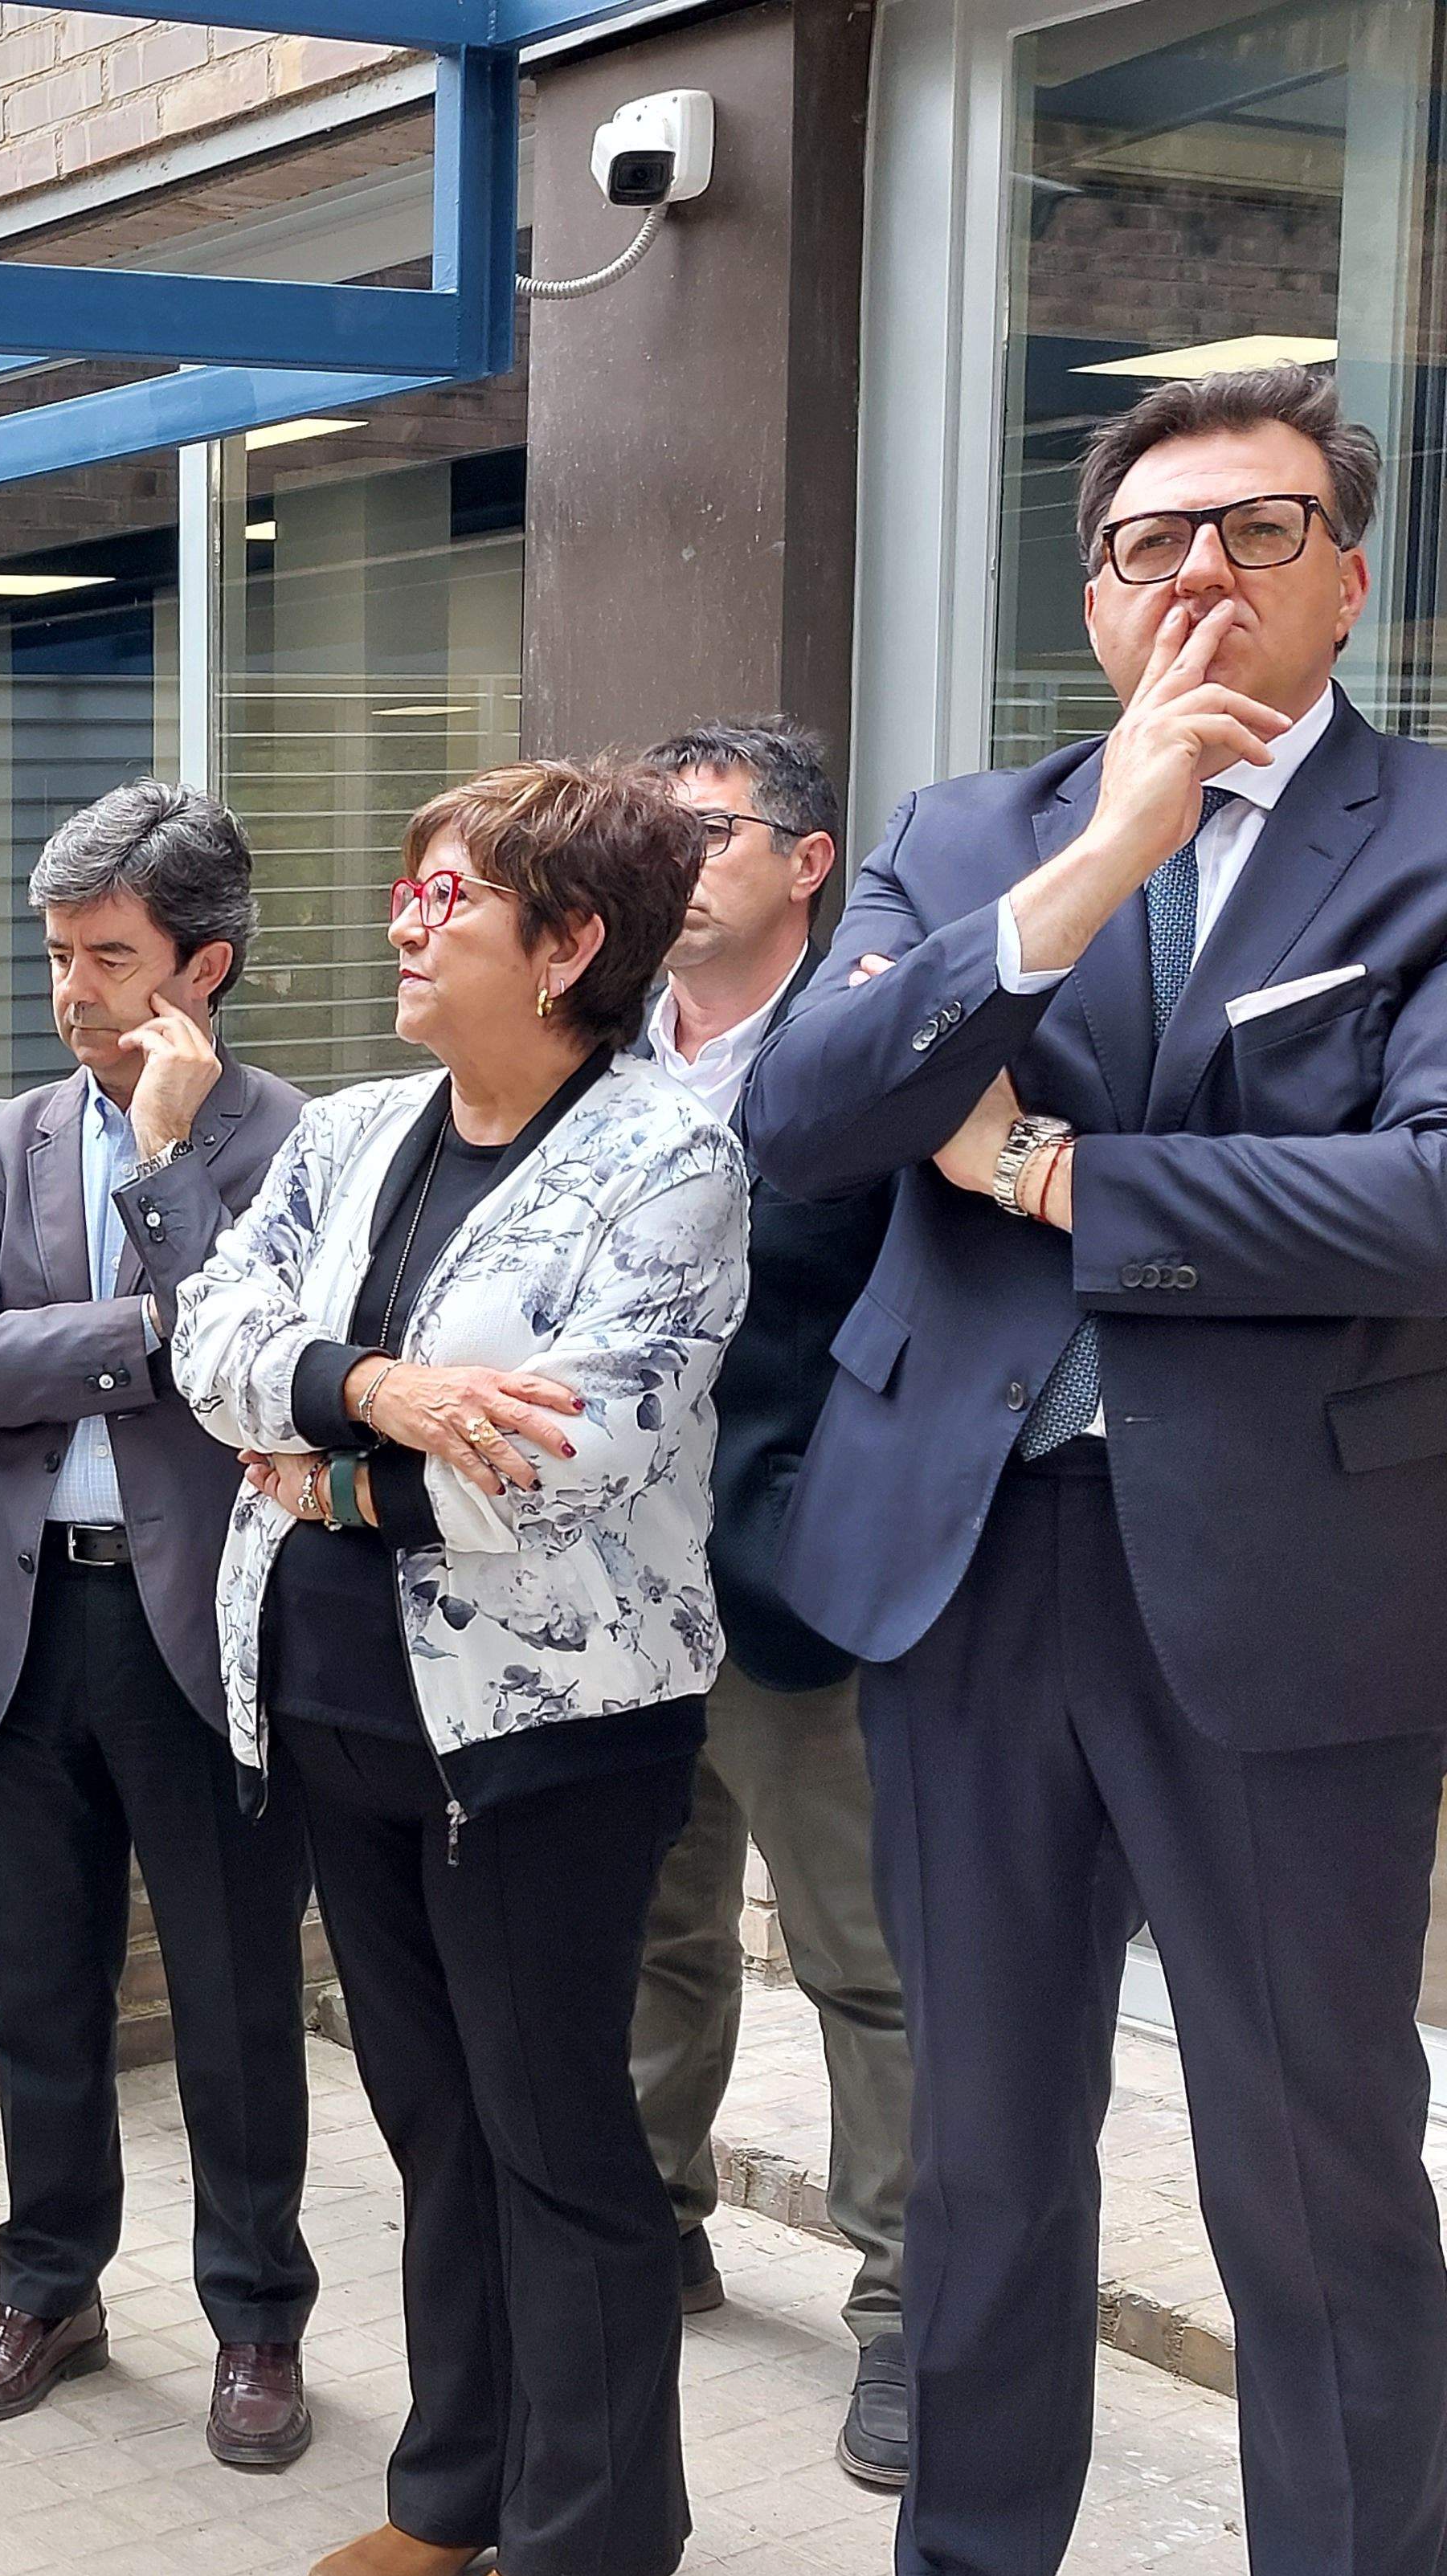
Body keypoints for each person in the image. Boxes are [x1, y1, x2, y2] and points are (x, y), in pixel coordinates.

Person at [752, 365, 1447, 2576]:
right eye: (1150, 544)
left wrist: (1063, 1181)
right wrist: (1103, 853)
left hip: (1285, 1599)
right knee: (983, 2134)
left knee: (1316, 2172)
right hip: (973, 1577)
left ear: (1352, 570)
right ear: (1092, 598)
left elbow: (1434, 1200)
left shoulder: (1434, 842)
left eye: (1255, 529)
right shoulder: (981, 833)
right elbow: (802, 1119)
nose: (1199, 578)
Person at [174, 757, 746, 2576]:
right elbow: (211, 1340)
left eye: (452, 897)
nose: (406, 921)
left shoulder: (665, 1158)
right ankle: (455, 2483)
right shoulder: (348, 1133)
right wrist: (375, 1386)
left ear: (569, 943)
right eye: (411, 886)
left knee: (551, 2126)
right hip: (336, 1702)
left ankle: (593, 2538)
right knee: (429, 2119)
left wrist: (329, 1468)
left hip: (547, 1734)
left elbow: (579, 1451)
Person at [0, 781, 319, 2461]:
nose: (72, 994)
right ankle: (47, 2287)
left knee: (228, 2001)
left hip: (199, 1629)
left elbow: (252, 1353)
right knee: (34, 1992)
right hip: (27, 1628)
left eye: (107, 958)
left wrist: (153, 1188)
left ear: (199, 967)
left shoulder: (295, 1141)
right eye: (56, 957)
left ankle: (254, 2321)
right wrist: (139, 1332)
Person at [620, 718, 915, 2486]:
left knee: (862, 1968)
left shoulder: (860, 1051)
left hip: (802, 1588)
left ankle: (905, 2311)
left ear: (806, 861)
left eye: (707, 835)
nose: (673, 865)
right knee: (647, 1934)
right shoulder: (601, 1050)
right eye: (651, 838)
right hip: (615, 1591)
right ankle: (650, 2224)